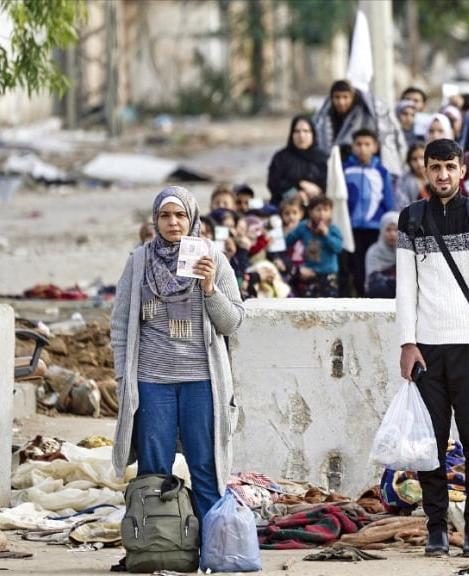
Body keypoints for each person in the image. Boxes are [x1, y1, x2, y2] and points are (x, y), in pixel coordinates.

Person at [396, 138, 469, 559]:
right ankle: (436, 529)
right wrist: (407, 342)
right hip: (429, 348)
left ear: (463, 171)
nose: (443, 175)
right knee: (432, 445)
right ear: (425, 171)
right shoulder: (411, 218)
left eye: (450, 166)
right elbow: (405, 287)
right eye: (435, 167)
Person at [111, 186, 245, 539]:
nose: (173, 222)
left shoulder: (213, 258)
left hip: (202, 381)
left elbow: (232, 323)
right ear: (155, 221)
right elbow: (121, 324)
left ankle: (214, 547)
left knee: (206, 466)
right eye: (165, 216)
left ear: (193, 218)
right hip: (152, 381)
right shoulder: (139, 261)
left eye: (180, 215)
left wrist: (209, 288)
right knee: (154, 469)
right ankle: (158, 544)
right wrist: (123, 378)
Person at [312, 80, 407, 177]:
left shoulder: (365, 117)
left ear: (352, 97)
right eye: (337, 97)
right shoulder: (325, 117)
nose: (341, 102)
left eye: (345, 97)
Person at [343, 128, 395, 296]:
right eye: (358, 144)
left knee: (372, 264)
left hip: (374, 228)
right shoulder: (345, 170)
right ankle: (358, 295)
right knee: (355, 266)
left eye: (367, 144)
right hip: (352, 228)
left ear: (375, 147)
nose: (362, 148)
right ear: (352, 147)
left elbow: (388, 202)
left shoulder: (381, 171)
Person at [285, 197, 344, 297]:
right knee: (310, 305)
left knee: (329, 305)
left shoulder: (333, 229)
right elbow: (287, 242)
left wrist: (326, 235)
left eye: (326, 210)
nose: (322, 213)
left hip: (329, 275)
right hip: (309, 274)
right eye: (318, 210)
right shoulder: (304, 227)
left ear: (331, 212)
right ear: (310, 212)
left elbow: (338, 248)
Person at [267, 115, 328, 206]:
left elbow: (329, 184)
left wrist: (317, 191)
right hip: (286, 208)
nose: (301, 136)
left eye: (306, 131)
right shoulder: (281, 158)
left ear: (313, 134)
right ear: (292, 134)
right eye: (297, 131)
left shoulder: (323, 159)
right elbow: (273, 184)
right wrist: (296, 191)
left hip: (317, 208)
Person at [364, 211, 399, 298]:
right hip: (381, 294)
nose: (392, 234)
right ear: (382, 230)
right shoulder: (374, 252)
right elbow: (372, 279)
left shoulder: (406, 252)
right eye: (388, 230)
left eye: (396, 230)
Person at [395, 143, 428, 211]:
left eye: (422, 158)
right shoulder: (403, 180)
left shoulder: (437, 177)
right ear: (409, 161)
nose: (419, 163)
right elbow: (402, 205)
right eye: (414, 159)